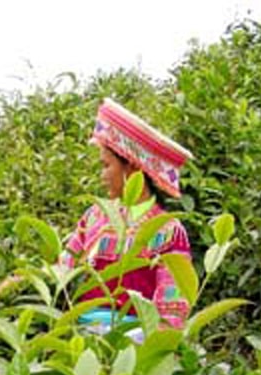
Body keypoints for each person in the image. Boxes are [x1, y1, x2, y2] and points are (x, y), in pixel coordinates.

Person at [58, 98, 194, 333]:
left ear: (131, 167)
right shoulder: (95, 215)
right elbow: (65, 264)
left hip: (135, 344)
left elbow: (173, 307)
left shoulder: (168, 230)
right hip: (83, 336)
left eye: (106, 165)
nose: (101, 175)